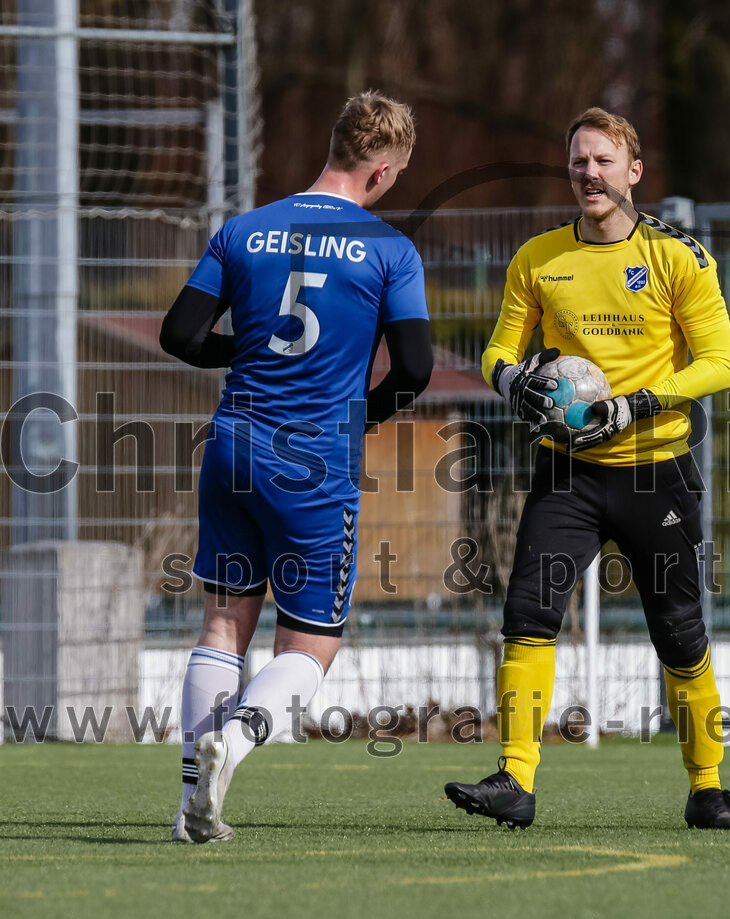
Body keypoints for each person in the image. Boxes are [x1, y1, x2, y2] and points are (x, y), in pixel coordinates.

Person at [444, 107, 730, 830]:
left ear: (633, 171)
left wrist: (637, 403)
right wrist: (513, 382)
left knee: (680, 634)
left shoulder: (679, 257)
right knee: (527, 616)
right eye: (579, 161)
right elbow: (497, 351)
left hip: (655, 471)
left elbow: (720, 364)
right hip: (568, 474)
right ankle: (515, 779)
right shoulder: (538, 258)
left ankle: (708, 790)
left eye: (604, 160)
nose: (589, 173)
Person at [160, 90, 432, 843]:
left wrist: (246, 350)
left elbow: (180, 335)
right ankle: (238, 738)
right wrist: (364, 414)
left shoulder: (244, 229)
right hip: (314, 461)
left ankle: (191, 808)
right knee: (311, 643)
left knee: (223, 623)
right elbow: (414, 367)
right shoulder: (389, 250)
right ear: (381, 173)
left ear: (333, 145)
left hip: (233, 447)